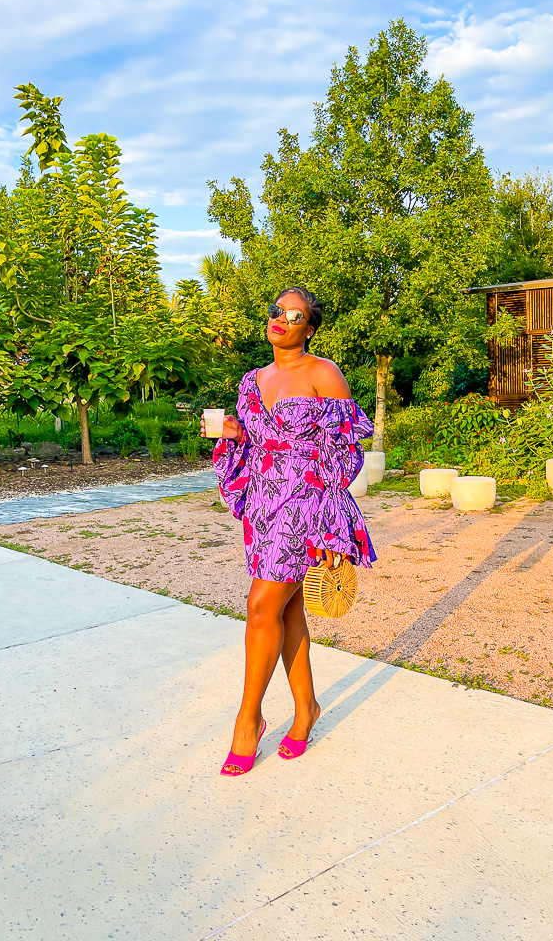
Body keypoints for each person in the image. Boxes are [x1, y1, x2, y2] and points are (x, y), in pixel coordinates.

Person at [203, 286, 377, 777]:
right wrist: (233, 433)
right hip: (264, 506)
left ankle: (248, 719)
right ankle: (306, 711)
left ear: (309, 328)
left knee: (261, 605)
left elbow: (344, 453)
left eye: (294, 315)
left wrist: (329, 528)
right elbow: (258, 443)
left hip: (307, 507)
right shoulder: (253, 379)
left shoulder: (324, 373)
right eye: (277, 310)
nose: (281, 319)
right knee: (287, 609)